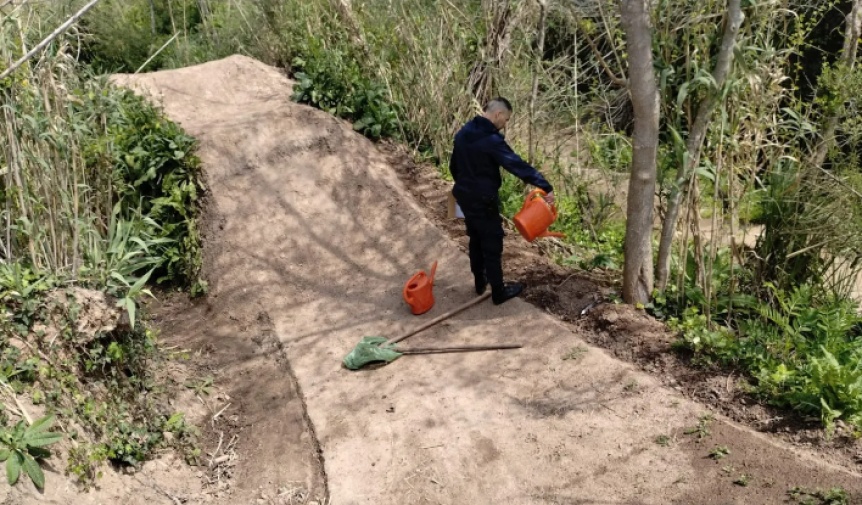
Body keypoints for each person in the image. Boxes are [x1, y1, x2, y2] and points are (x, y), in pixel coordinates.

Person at [450, 97, 555, 305]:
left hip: (463, 195)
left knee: (475, 237)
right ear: (497, 114)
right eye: (505, 120)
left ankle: (480, 281)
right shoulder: (491, 140)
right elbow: (515, 164)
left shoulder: (463, 132)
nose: (505, 124)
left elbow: (453, 166)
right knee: (491, 240)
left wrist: (465, 185)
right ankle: (498, 291)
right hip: (482, 199)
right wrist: (544, 185)